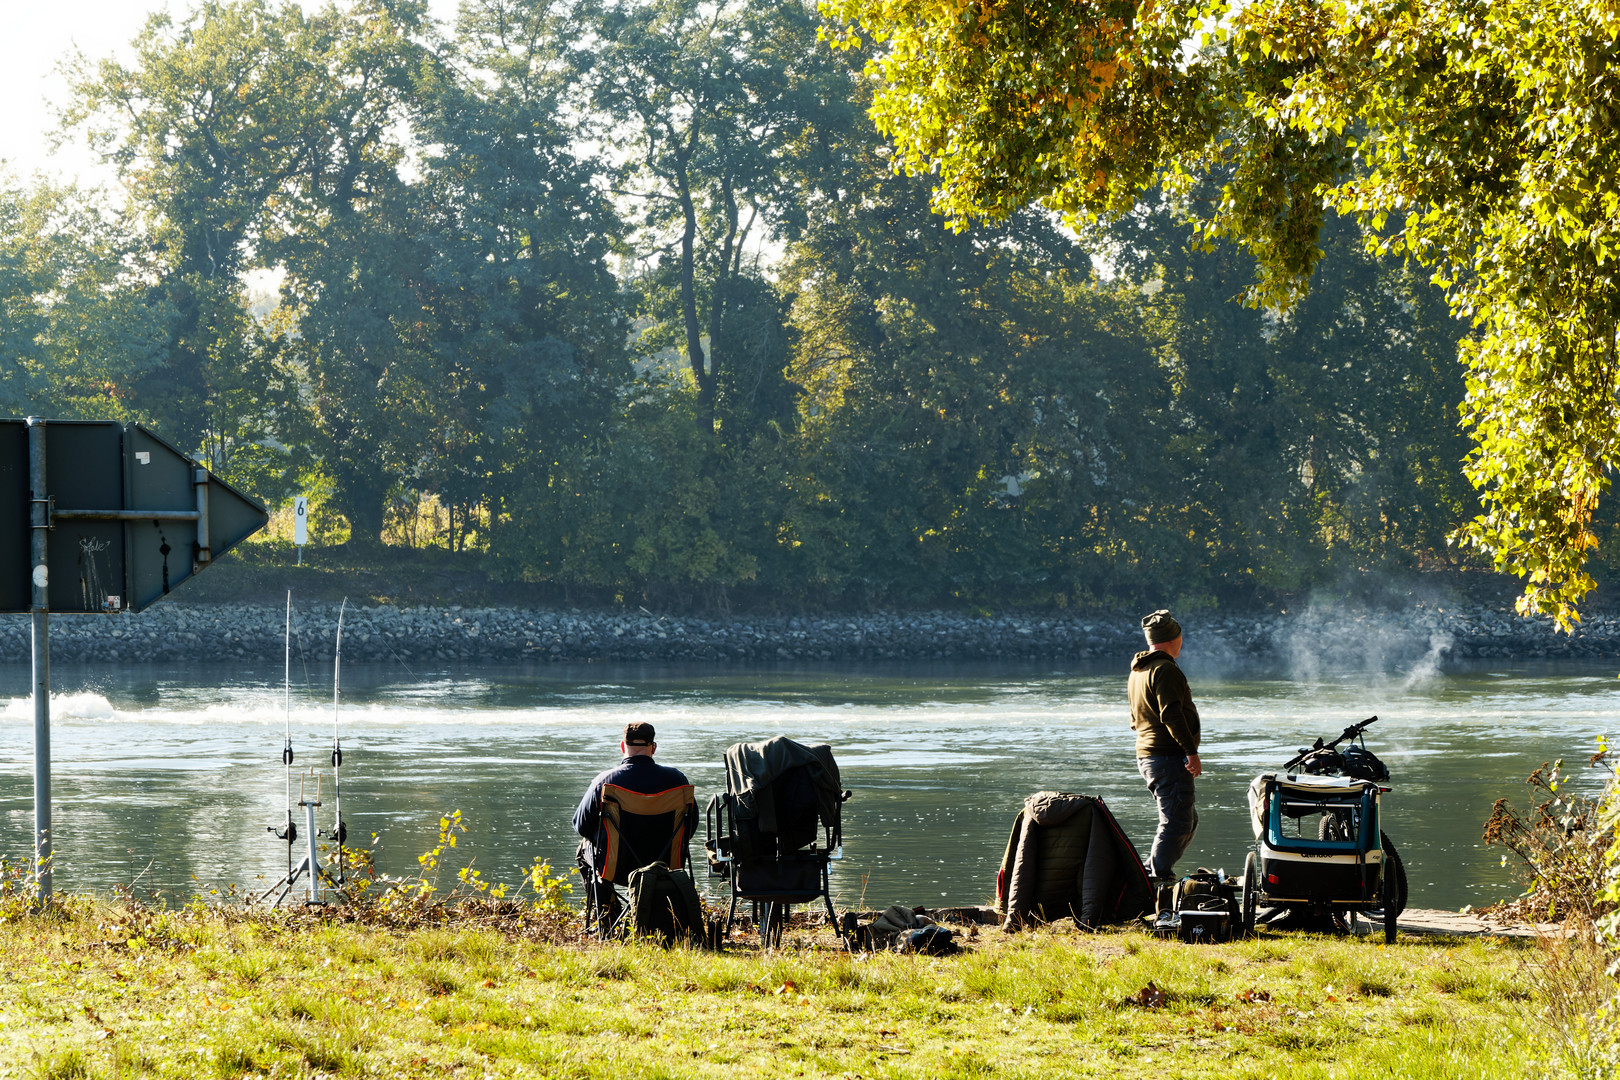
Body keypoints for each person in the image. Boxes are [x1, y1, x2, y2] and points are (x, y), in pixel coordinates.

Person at [573, 722, 696, 913]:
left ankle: (608, 918)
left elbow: (581, 826)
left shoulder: (605, 782)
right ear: (654, 747)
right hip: (665, 865)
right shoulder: (678, 781)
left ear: (622, 746)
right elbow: (690, 827)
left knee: (583, 849)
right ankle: (663, 914)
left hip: (615, 868)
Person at [1128, 609, 1202, 917]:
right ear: (1175, 639)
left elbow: (1135, 720)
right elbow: (1171, 714)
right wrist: (1191, 752)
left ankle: (1156, 875)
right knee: (1177, 822)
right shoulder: (1165, 670)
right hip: (1168, 757)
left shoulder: (1139, 670)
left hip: (1150, 756)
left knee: (1187, 819)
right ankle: (1155, 881)